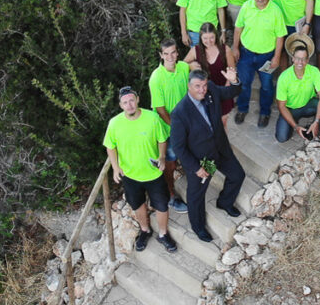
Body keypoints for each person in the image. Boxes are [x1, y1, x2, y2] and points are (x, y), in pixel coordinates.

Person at [169, 69, 244, 242]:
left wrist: (234, 81)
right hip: (203, 161)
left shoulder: (211, 89)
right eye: (197, 86)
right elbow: (179, 147)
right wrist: (196, 168)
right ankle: (198, 227)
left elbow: (233, 91)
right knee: (196, 195)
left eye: (204, 85)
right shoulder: (180, 113)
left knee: (238, 175)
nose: (202, 90)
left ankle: (224, 203)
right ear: (189, 86)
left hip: (221, 149)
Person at [103, 86, 177, 253]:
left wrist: (162, 157)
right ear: (120, 105)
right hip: (130, 175)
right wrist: (115, 168)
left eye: (131, 100)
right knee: (138, 205)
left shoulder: (152, 118)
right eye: (125, 102)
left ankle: (163, 234)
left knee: (162, 205)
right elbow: (110, 147)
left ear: (137, 100)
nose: (129, 105)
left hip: (154, 173)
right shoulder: (114, 123)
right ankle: (145, 230)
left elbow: (162, 139)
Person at [232, 0, 286, 127]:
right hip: (246, 54)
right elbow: (238, 28)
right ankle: (242, 109)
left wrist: (277, 57)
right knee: (244, 84)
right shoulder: (246, 7)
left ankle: (265, 113)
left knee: (267, 86)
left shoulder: (275, 10)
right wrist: (235, 48)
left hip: (267, 56)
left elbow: (280, 36)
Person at [148, 40, 192, 213]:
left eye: (173, 52)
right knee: (170, 164)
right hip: (168, 129)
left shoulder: (183, 68)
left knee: (193, 152)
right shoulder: (156, 78)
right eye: (166, 53)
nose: (170, 56)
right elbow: (160, 109)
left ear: (177, 53)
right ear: (161, 55)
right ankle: (172, 197)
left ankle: (197, 180)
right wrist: (176, 127)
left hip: (187, 122)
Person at [182, 22, 236, 126]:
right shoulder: (195, 50)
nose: (209, 41)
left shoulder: (225, 50)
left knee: (222, 120)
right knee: (207, 120)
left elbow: (232, 69)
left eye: (212, 37)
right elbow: (182, 64)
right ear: (200, 38)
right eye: (205, 38)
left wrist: (227, 85)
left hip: (222, 89)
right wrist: (190, 66)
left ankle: (222, 141)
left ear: (216, 35)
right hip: (204, 91)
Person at [274, 42, 320, 143]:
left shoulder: (314, 71)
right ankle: (295, 124)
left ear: (307, 60)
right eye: (297, 58)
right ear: (292, 59)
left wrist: (316, 121)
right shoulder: (284, 77)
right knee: (281, 138)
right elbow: (281, 106)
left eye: (303, 59)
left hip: (308, 104)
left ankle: (316, 127)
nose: (300, 62)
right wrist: (296, 127)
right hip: (291, 109)